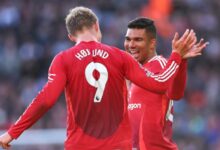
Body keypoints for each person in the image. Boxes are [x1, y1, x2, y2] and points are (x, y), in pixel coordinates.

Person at [0, 7, 196, 150]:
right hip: (118, 146)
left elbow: (46, 99)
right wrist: (177, 56)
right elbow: (160, 83)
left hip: (80, 146)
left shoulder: (63, 60)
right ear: (96, 25)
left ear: (70, 36)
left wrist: (13, 132)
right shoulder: (120, 57)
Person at [124, 17, 209, 150]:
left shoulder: (160, 64)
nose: (131, 45)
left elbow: (175, 93)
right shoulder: (135, 73)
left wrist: (178, 58)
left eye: (138, 40)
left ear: (152, 43)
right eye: (128, 39)